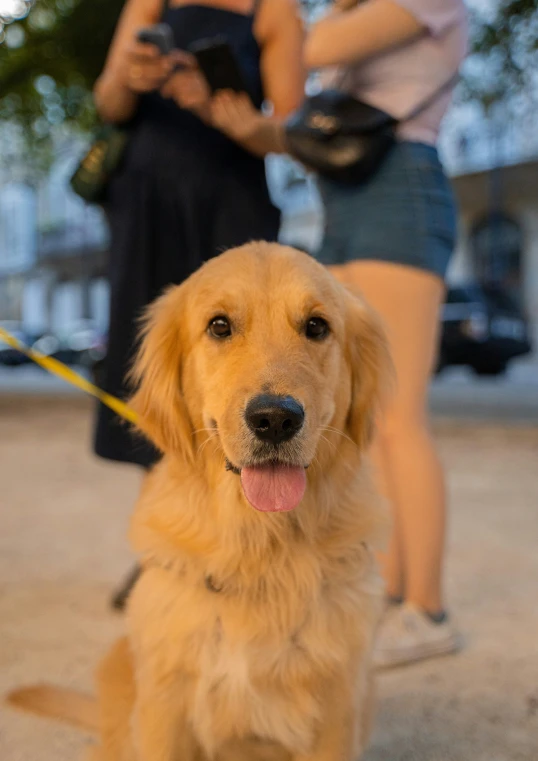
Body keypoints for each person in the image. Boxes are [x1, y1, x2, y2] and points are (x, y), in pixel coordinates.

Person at [92, 0, 305, 606]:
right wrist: (126, 78)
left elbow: (290, 131)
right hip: (146, 205)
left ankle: (244, 549)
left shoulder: (275, 11)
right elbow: (108, 105)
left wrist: (215, 105)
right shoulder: (148, 2)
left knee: (247, 368)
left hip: (227, 202)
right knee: (154, 378)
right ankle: (163, 545)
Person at [301, 0, 468, 667]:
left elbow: (316, 48)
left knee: (401, 418)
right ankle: (387, 594)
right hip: (345, 198)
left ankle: (427, 610)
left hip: (399, 189)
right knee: (363, 418)